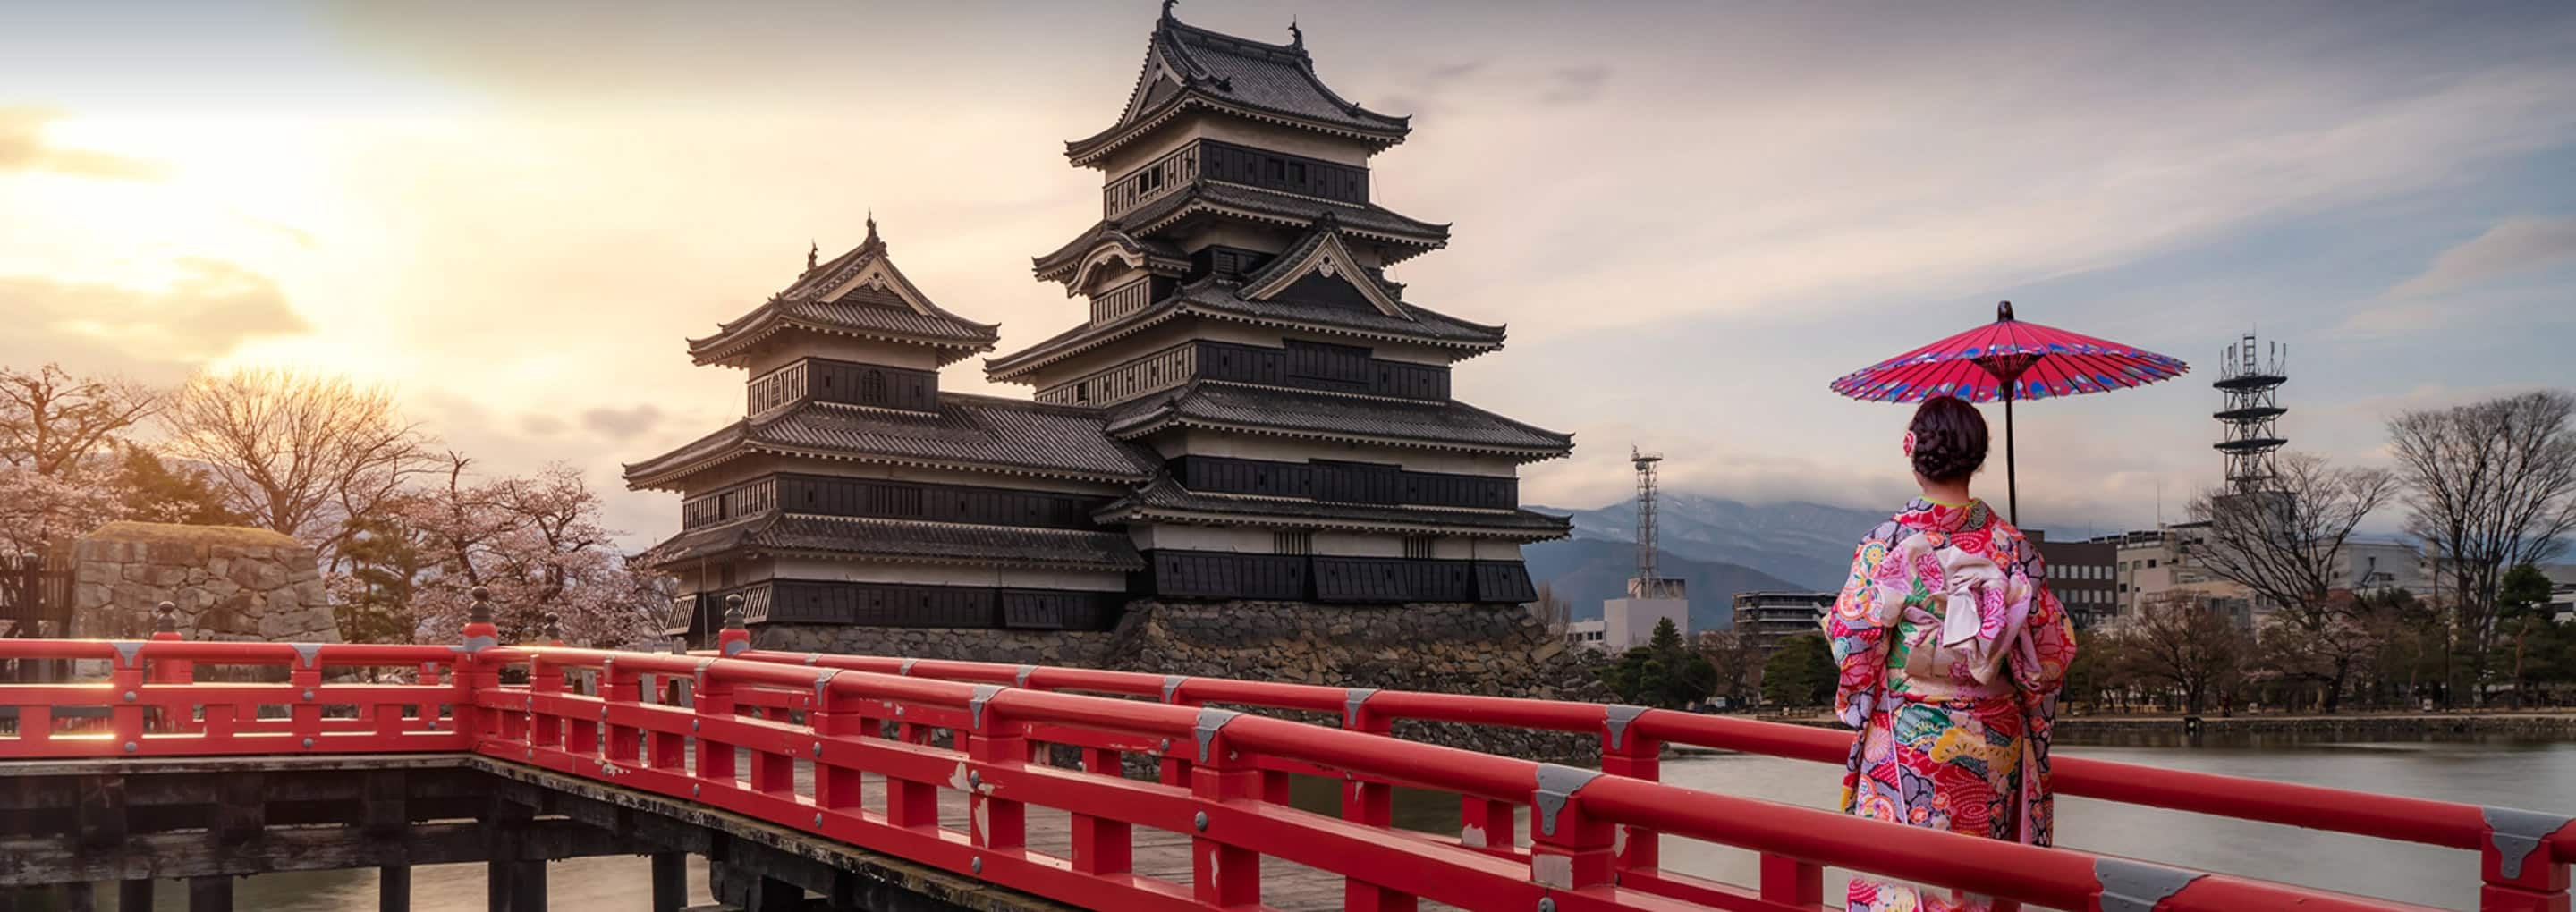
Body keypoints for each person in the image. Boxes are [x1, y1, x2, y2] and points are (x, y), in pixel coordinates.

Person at [1825, 394, 2077, 912]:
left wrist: (1869, 688)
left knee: (1900, 878)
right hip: (1994, 737)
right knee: (1979, 882)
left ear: (1911, 449)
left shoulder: (1887, 541)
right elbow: (2049, 656)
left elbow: (1854, 639)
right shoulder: (2013, 546)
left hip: (1910, 732)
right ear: (1978, 456)